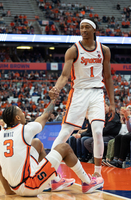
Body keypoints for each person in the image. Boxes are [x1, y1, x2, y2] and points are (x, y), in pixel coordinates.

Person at [49, 18, 115, 180]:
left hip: (97, 92)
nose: (83, 30)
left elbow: (107, 77)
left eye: (87, 27)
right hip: (78, 92)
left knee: (98, 131)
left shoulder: (104, 50)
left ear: (94, 30)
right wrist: (57, 88)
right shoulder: (73, 50)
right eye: (81, 27)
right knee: (65, 132)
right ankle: (49, 171)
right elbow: (65, 75)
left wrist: (112, 102)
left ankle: (97, 173)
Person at [0, 101, 103, 196]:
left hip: (15, 186)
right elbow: (45, 116)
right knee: (64, 147)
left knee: (36, 143)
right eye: (20, 112)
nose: (23, 113)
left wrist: (8, 191)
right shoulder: (24, 129)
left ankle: (55, 181)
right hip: (30, 186)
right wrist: (53, 100)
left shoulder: (0, 135)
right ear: (17, 118)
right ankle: (88, 182)